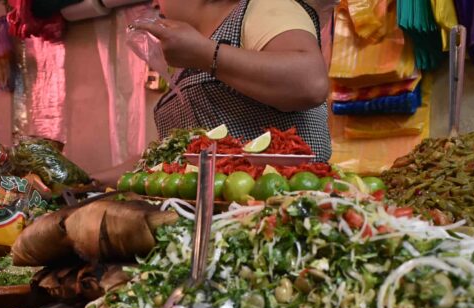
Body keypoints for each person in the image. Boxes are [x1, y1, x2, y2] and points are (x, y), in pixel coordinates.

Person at [94, 0, 332, 184]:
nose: (156, 3)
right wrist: (90, 180)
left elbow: (310, 83)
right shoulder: (191, 61)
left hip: (280, 212)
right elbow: (171, 158)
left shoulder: (261, 9)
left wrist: (206, 54)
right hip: (212, 225)